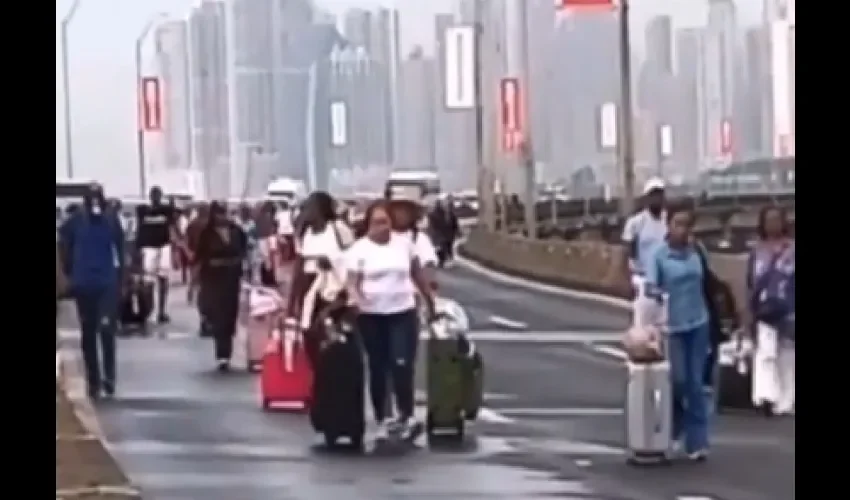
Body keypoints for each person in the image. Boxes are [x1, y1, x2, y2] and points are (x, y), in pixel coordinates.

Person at [345, 200, 437, 441]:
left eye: (385, 222)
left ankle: (406, 414)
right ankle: (383, 417)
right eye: (376, 223)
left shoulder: (404, 246)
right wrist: (355, 300)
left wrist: (430, 301)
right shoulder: (359, 250)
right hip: (371, 315)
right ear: (368, 225)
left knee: (401, 363)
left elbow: (417, 275)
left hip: (402, 312)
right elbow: (352, 282)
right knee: (378, 366)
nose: (382, 227)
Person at [644, 205, 710, 461]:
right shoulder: (659, 255)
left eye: (687, 225)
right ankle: (674, 428)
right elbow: (650, 286)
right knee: (679, 382)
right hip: (672, 326)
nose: (682, 230)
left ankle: (697, 442)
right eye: (677, 224)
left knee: (696, 383)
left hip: (699, 322)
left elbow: (708, 283)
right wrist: (659, 295)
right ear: (668, 226)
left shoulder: (698, 252)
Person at [59, 183, 125, 399]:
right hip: (83, 284)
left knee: (106, 330)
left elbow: (122, 248)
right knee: (88, 334)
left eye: (98, 198)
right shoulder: (75, 221)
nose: (95, 203)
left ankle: (109, 377)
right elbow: (63, 244)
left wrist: (123, 278)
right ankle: (93, 380)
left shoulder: (111, 220)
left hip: (107, 283)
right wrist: (68, 272)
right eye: (91, 199)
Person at [286, 192, 354, 366]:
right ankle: (318, 386)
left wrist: (330, 263)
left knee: (334, 344)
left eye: (310, 206)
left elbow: (352, 259)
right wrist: (291, 305)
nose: (306, 211)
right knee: (311, 340)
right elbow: (299, 270)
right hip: (310, 292)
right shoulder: (306, 234)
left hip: (334, 293)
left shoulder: (339, 230)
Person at [747, 206, 795, 416]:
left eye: (777, 220)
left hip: (788, 306)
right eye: (769, 220)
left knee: (786, 352)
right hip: (764, 307)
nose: (773, 224)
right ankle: (766, 395)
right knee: (766, 351)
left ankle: (786, 399)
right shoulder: (757, 251)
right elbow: (751, 281)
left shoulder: (792, 250)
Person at [194, 201, 248, 371]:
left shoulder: (237, 231)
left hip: (232, 278)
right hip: (213, 279)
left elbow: (245, 252)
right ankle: (221, 353)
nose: (222, 216)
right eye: (219, 213)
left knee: (230, 313)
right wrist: (194, 282)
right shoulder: (207, 234)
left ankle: (227, 350)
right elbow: (199, 258)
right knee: (217, 314)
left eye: (224, 213)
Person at [622, 178, 668, 324]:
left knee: (665, 328)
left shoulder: (670, 221)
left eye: (660, 195)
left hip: (665, 280)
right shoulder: (636, 222)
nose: (657, 199)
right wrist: (628, 280)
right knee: (643, 328)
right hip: (643, 279)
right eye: (653, 195)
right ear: (646, 198)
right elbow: (627, 251)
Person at [136, 186, 179, 324]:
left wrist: (172, 204)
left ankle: (161, 311)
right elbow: (139, 229)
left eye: (158, 195)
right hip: (149, 248)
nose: (156, 198)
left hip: (163, 246)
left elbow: (174, 219)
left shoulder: (166, 211)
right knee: (149, 281)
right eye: (154, 195)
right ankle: (148, 308)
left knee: (163, 279)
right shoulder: (143, 211)